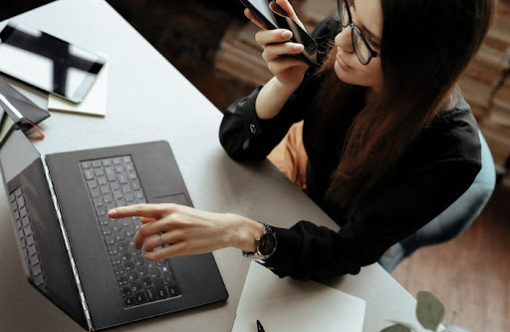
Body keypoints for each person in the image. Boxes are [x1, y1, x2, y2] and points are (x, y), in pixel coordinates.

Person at [108, 0, 493, 280]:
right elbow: (237, 143)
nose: (341, 41)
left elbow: (346, 252)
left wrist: (237, 231)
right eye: (351, 14)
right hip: (304, 185)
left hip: (348, 230)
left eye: (367, 41)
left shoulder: (451, 154)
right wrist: (283, 85)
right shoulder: (341, 41)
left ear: (422, 62)